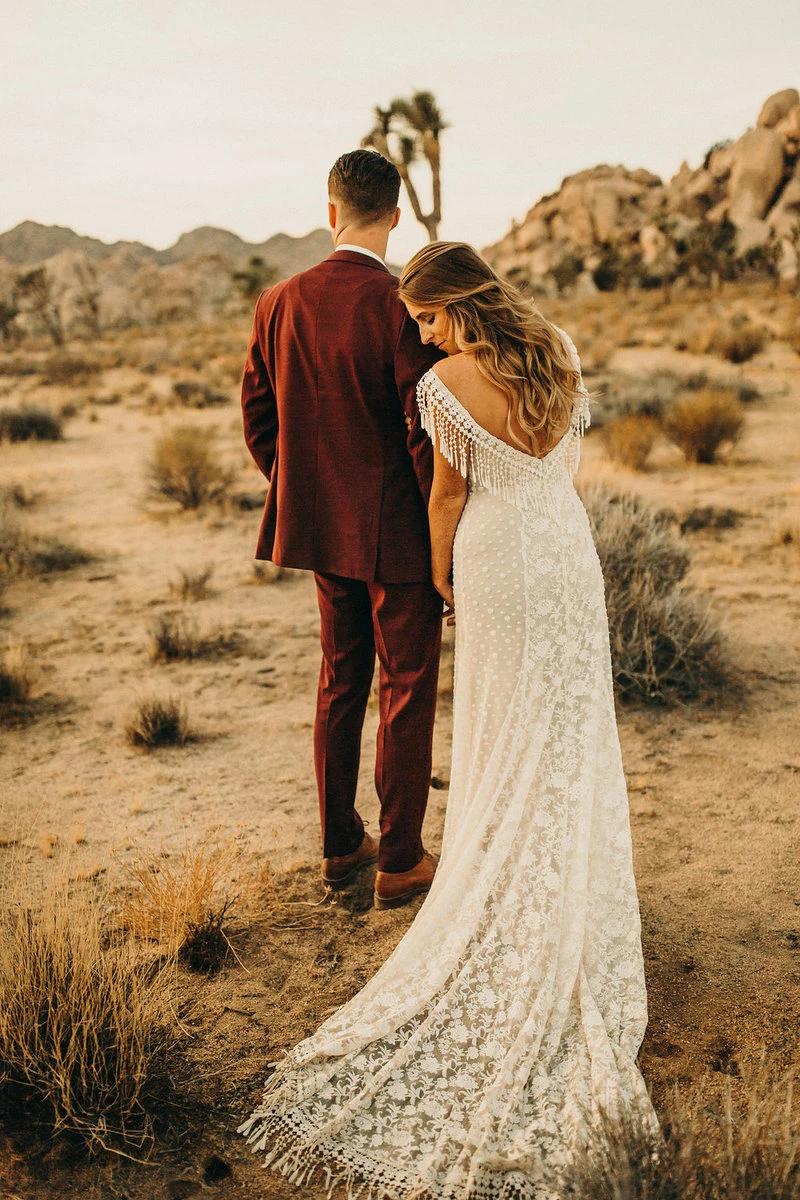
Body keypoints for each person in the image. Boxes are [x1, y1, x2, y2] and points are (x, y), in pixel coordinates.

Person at [240, 242, 657, 1198]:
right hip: (565, 550)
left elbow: (448, 493)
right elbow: (564, 464)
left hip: (501, 558)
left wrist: (441, 574)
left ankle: (502, 891)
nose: (418, 332)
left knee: (503, 728)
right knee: (568, 728)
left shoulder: (443, 384)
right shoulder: (557, 348)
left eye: (425, 317)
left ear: (455, 308)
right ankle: (568, 895)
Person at [241, 150, 443, 909]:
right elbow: (422, 432)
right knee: (407, 685)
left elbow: (260, 417)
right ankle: (399, 859)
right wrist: (440, 534)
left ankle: (337, 846)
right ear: (395, 215)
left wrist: (306, 492)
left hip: (324, 531)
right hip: (399, 535)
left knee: (340, 679)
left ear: (330, 213)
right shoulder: (402, 305)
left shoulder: (276, 301)